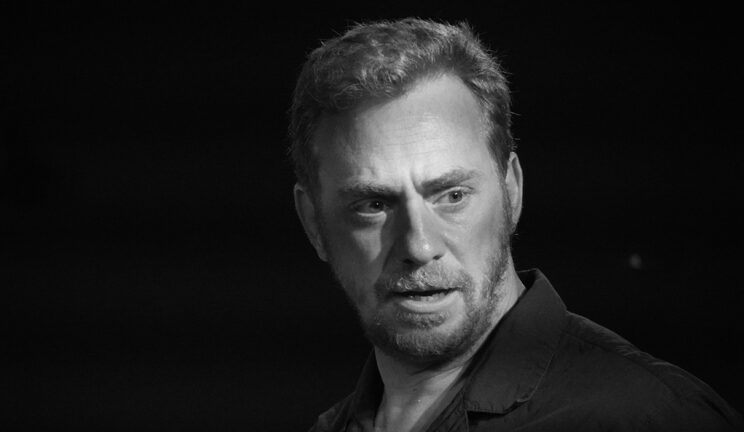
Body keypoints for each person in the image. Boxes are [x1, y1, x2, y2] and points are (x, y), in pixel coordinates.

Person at [288, 18, 742, 432]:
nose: (419, 245)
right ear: (313, 223)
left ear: (511, 191)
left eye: (452, 195)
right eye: (373, 204)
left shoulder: (651, 418)